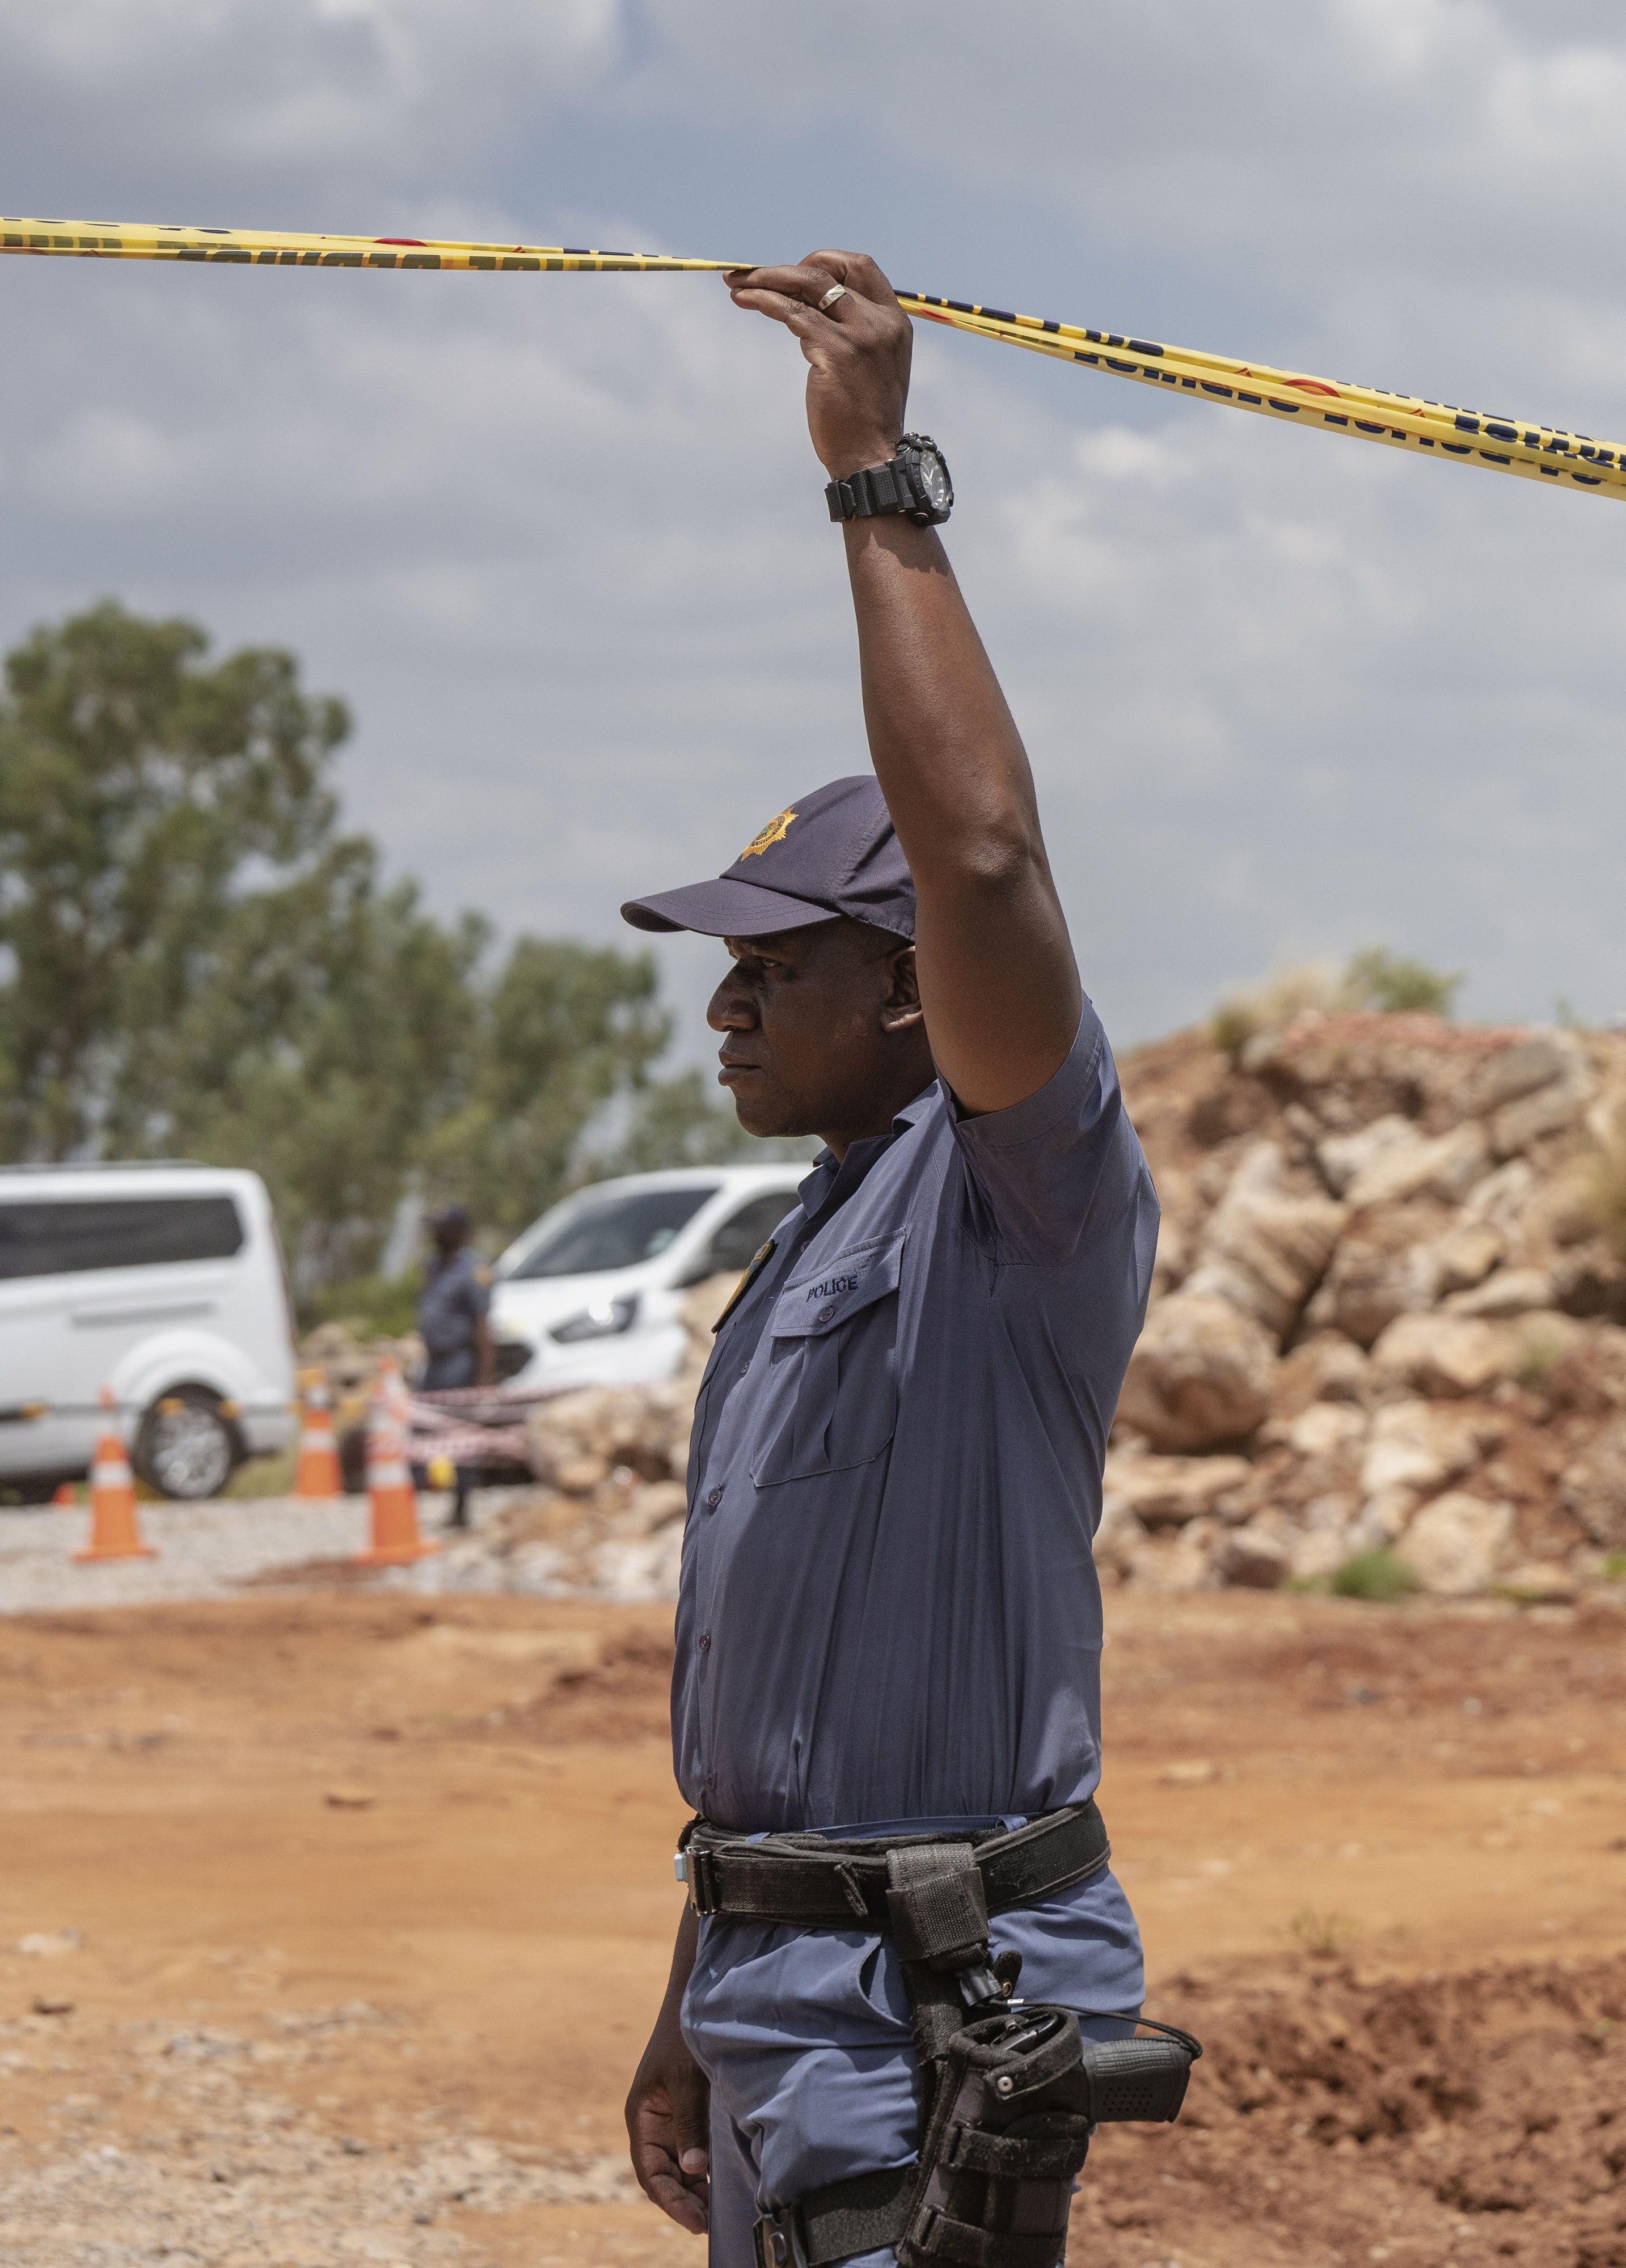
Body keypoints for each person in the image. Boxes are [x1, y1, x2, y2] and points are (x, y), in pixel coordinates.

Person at [615, 248, 1162, 2268]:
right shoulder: (811, 1247)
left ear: (922, 988)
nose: (725, 1010)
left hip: (932, 2022)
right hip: (783, 2002)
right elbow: (788, 1719)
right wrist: (690, 2003)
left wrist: (876, 484)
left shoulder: (1022, 1201)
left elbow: (989, 858)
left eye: (779, 964)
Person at [414, 1204, 493, 1392]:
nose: (437, 1233)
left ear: (459, 1232)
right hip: (432, 1364)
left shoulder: (475, 1270)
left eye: (443, 1228)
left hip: (458, 1364)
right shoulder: (433, 1267)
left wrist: (485, 1381)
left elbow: (483, 1326)